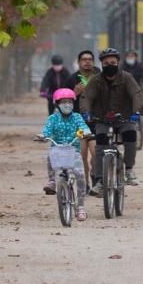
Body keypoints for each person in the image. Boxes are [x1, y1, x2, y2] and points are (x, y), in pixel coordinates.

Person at [81, 48, 143, 192]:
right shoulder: (96, 80)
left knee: (130, 134)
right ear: (102, 64)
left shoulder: (127, 77)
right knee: (100, 143)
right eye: (106, 63)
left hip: (125, 117)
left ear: (118, 63)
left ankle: (129, 169)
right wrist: (86, 113)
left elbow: (136, 94)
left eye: (113, 62)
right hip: (102, 118)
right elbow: (87, 97)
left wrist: (136, 111)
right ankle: (99, 180)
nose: (110, 65)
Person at [38, 88, 89, 221]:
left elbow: (83, 127)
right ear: (57, 104)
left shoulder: (77, 117)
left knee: (80, 175)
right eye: (64, 102)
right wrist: (43, 136)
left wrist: (85, 132)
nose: (67, 105)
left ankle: (80, 206)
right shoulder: (53, 118)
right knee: (50, 156)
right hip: (58, 149)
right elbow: (47, 130)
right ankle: (52, 182)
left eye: (70, 102)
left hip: (73, 150)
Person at [64, 50, 100, 189]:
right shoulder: (71, 79)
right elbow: (63, 103)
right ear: (79, 62)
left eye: (90, 59)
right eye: (84, 59)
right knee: (82, 154)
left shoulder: (100, 77)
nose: (87, 61)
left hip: (96, 123)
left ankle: (95, 174)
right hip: (78, 124)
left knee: (96, 152)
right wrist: (74, 93)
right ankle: (85, 183)